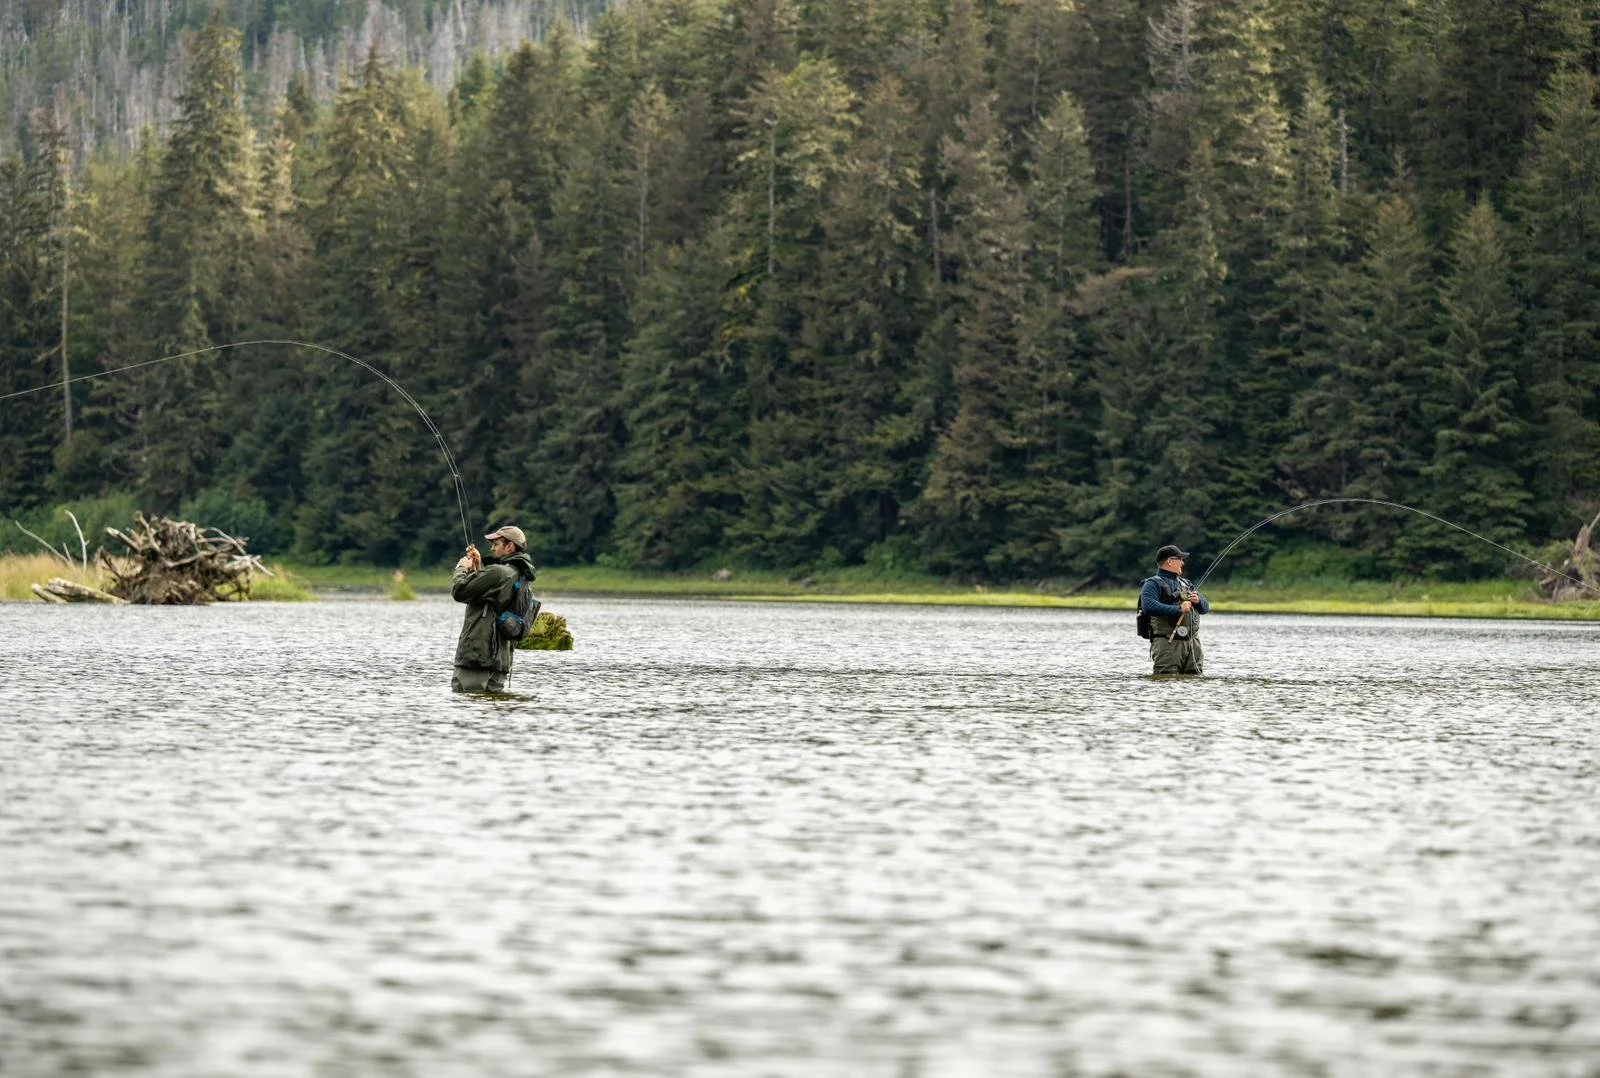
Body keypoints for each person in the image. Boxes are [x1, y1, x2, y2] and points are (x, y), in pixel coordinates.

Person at [450, 524, 538, 693]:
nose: (492, 548)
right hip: (500, 661)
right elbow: (491, 596)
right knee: (492, 712)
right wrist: (478, 566)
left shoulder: (498, 572)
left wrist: (461, 567)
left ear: (510, 546)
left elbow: (459, 592)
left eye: (496, 544)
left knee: (468, 708)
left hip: (479, 657)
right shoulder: (519, 575)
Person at [1139, 544, 1211, 675]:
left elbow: (1205, 608)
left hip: (1193, 645)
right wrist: (1178, 609)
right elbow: (1148, 606)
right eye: (1180, 559)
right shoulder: (1152, 584)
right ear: (1170, 562)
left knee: (1194, 682)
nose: (1182, 563)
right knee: (1166, 679)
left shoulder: (1186, 583)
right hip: (1168, 643)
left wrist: (1198, 601)